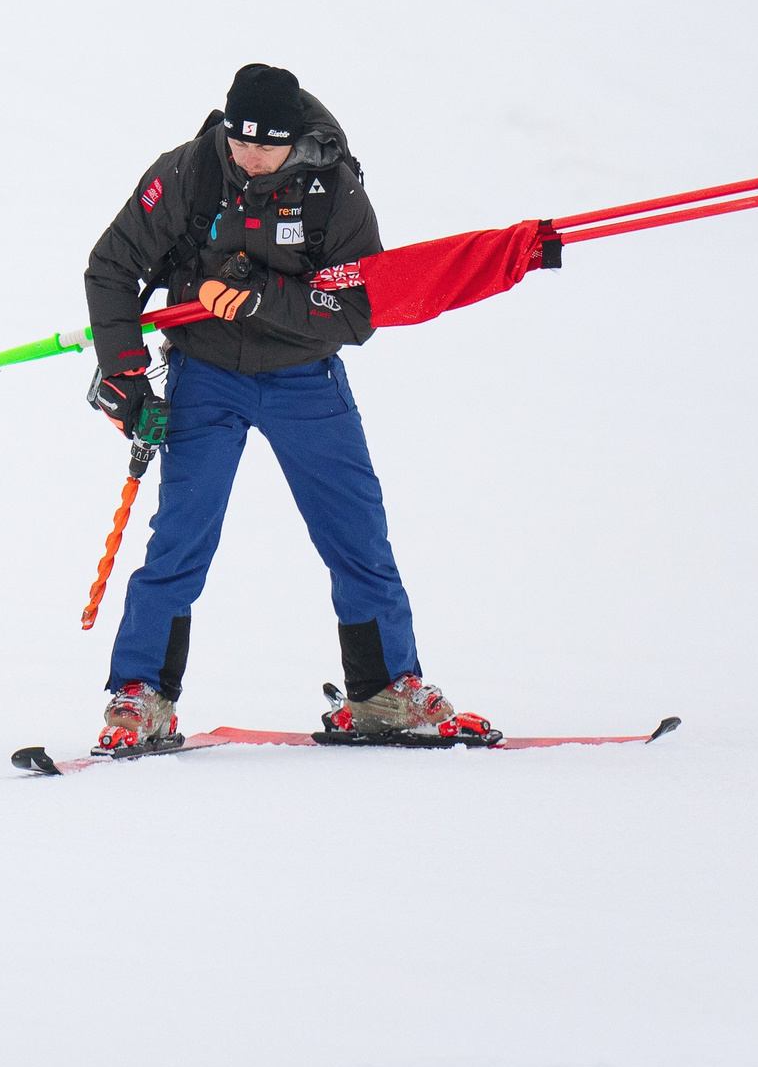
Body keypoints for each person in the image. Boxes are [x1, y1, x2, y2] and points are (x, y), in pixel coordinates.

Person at [82, 62, 475, 753]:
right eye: (240, 142)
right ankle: (141, 695)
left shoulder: (333, 192)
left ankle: (383, 690)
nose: (249, 158)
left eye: (266, 146)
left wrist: (265, 296)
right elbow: (111, 267)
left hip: (304, 378)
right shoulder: (190, 173)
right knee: (180, 539)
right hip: (207, 374)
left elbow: (359, 312)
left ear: (294, 141)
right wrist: (127, 376)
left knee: (356, 534)